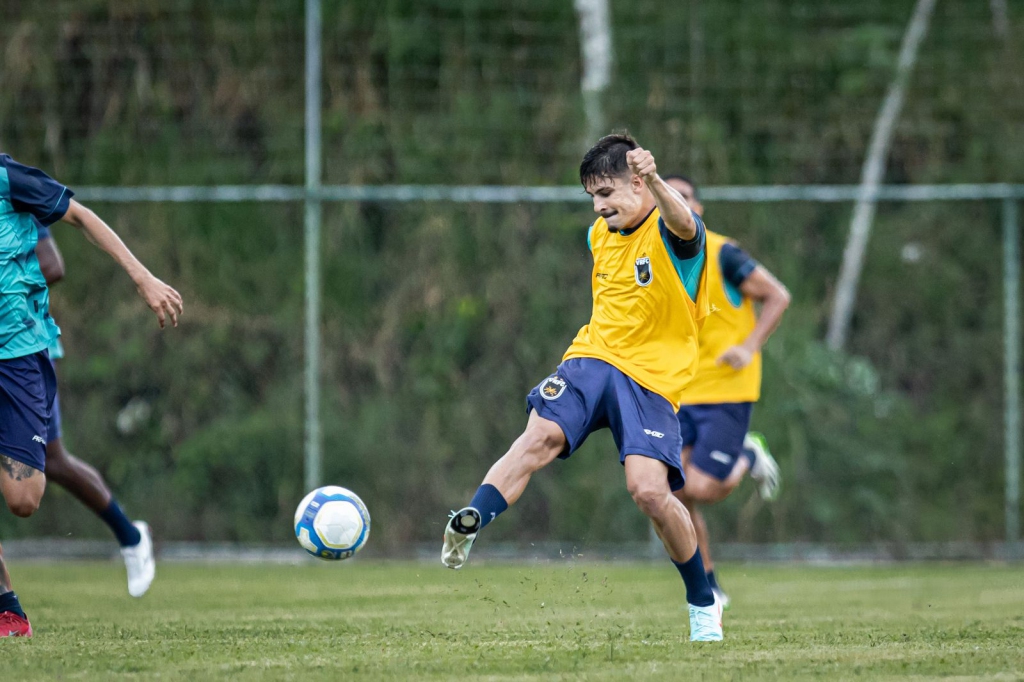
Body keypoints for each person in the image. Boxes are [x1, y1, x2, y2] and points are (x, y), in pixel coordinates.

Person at [441, 134, 724, 642]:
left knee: (649, 493)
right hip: (591, 359)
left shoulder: (671, 233)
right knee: (538, 437)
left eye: (607, 193)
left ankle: (703, 602)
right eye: (592, 196)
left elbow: (687, 226)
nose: (598, 207)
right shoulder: (600, 234)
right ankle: (471, 520)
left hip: (650, 380)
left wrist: (658, 180)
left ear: (638, 184)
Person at [0, 153, 182, 637]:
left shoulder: (9, 179)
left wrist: (142, 277)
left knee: (26, 493)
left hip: (18, 351)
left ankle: (129, 535)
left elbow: (69, 234)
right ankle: (7, 607)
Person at [664, 175, 790, 609]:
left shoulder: (723, 254)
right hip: (677, 391)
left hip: (725, 389)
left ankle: (748, 454)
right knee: (675, 494)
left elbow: (777, 295)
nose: (674, 204)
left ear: (698, 208)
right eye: (666, 197)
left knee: (701, 488)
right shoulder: (652, 258)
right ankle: (709, 586)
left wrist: (749, 346)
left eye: (683, 197)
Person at [34, 228, 156, 599]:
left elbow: (52, 265)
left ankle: (130, 537)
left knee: (52, 462)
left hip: (25, 346)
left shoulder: (13, 197)